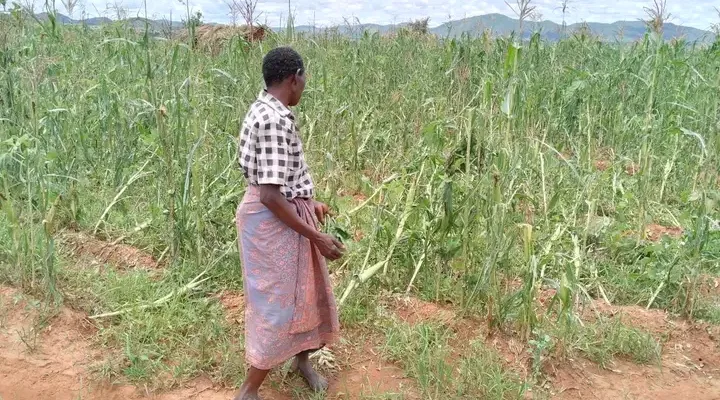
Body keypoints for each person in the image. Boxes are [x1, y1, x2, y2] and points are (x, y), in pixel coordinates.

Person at [234, 46, 345, 400]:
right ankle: (249, 390)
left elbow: (280, 183)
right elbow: (269, 195)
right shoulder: (274, 120)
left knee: (305, 294)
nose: (304, 85)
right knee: (278, 306)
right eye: (304, 78)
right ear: (294, 77)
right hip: (271, 222)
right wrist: (317, 237)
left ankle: (302, 362)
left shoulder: (267, 108)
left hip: (285, 213)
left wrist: (310, 204)